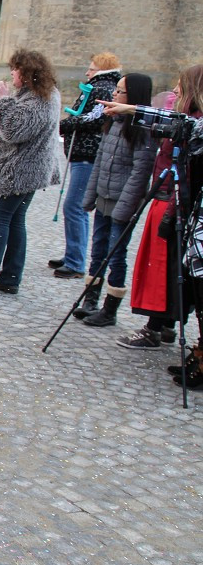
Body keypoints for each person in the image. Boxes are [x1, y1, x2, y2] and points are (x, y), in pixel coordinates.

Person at [105, 66, 203, 352]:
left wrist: (133, 109)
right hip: (171, 201)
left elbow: (180, 126)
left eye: (180, 88)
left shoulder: (195, 125)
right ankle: (166, 324)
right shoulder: (189, 122)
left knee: (167, 269)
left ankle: (159, 326)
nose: (174, 92)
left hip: (178, 205)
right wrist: (132, 109)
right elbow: (174, 121)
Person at [0, 49, 61, 296]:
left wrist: (3, 99)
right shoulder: (44, 96)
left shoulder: (38, 100)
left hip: (18, 173)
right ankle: (9, 276)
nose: (12, 74)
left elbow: (12, 130)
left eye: (15, 69)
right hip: (28, 172)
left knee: (1, 222)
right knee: (15, 222)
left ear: (27, 72)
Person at [71, 74, 157, 327]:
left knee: (115, 254)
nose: (114, 97)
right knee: (98, 251)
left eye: (120, 92)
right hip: (104, 198)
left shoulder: (142, 130)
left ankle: (110, 307)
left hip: (122, 201)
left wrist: (124, 208)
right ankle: (91, 298)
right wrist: (91, 196)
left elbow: (140, 172)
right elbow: (100, 162)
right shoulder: (113, 124)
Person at [51, 53, 121, 279]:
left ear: (101, 69)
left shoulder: (102, 88)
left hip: (87, 154)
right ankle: (74, 253)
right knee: (74, 206)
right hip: (82, 152)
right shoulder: (99, 86)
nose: (87, 73)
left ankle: (76, 261)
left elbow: (95, 117)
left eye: (91, 69)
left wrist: (67, 125)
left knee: (75, 206)